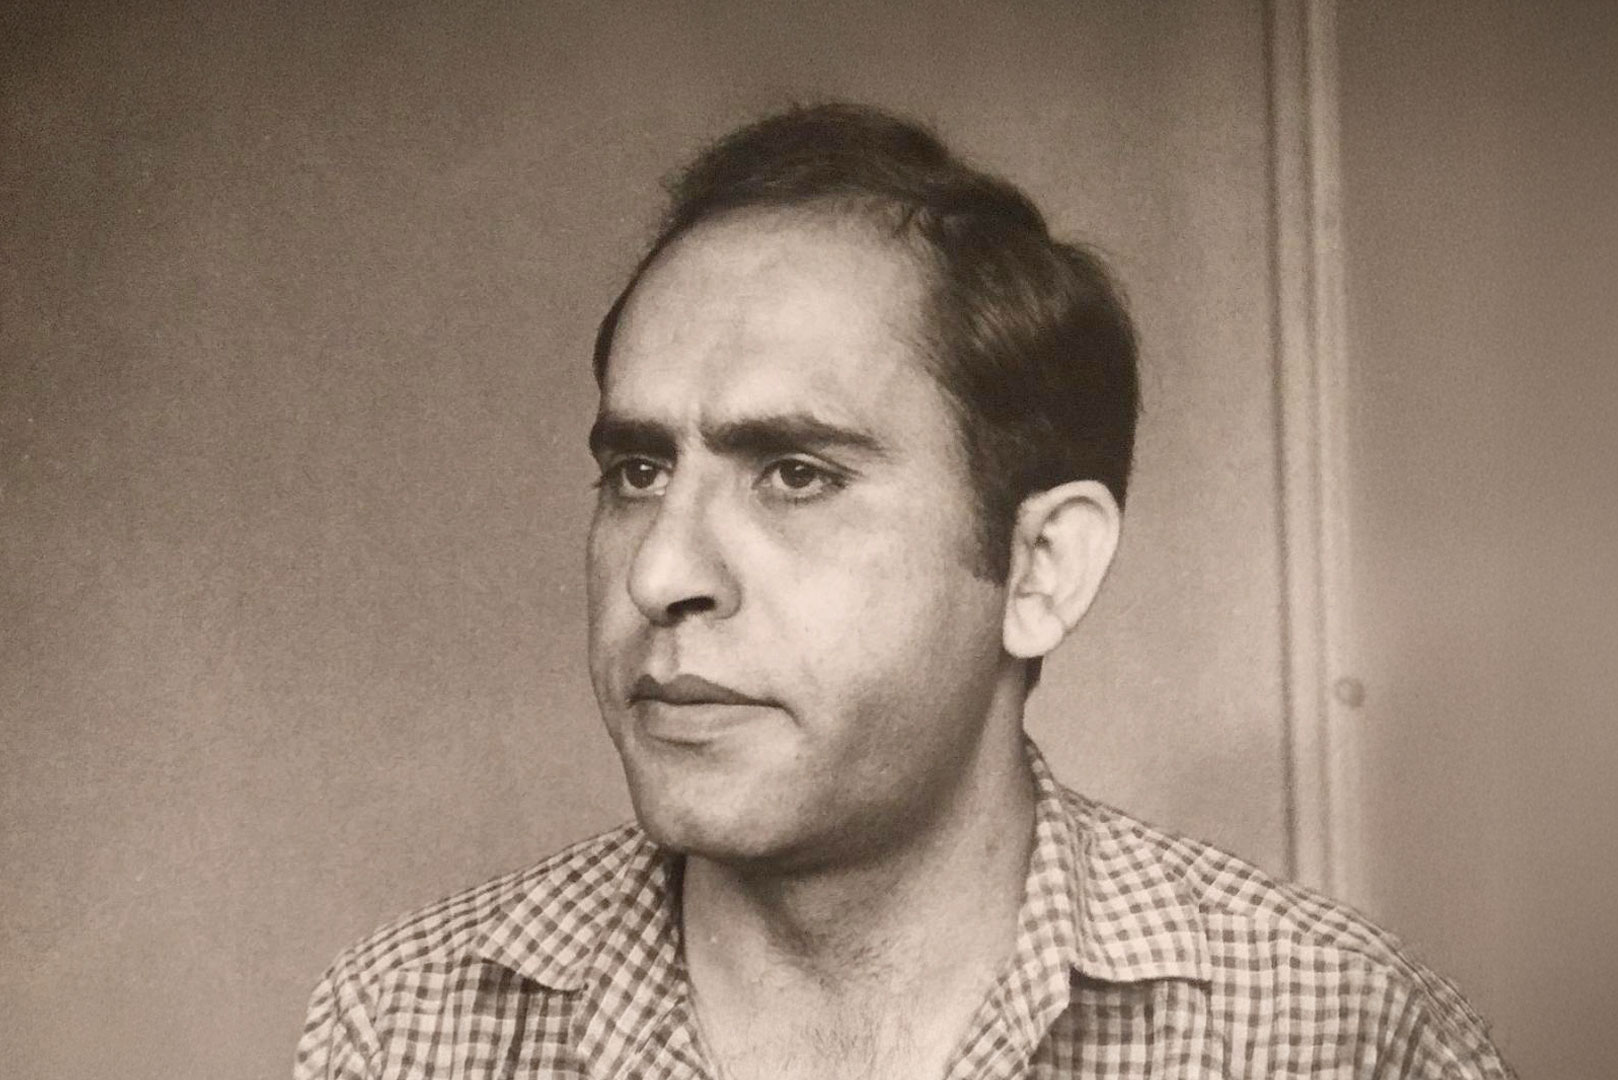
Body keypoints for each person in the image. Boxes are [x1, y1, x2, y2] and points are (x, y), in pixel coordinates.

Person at [294, 103, 1512, 1079]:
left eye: (796, 474)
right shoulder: (409, 1031)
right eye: (637, 471)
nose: (660, 571)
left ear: (1040, 569)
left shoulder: (1336, 1034)